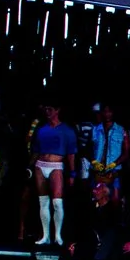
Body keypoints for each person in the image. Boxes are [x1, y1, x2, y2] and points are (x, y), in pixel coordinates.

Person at [29, 102, 78, 248]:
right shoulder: (41, 129)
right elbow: (36, 150)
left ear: (57, 110)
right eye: (46, 109)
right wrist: (29, 166)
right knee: (43, 201)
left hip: (56, 166)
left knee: (57, 202)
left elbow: (71, 154)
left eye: (50, 109)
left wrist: (73, 173)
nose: (47, 112)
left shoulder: (67, 130)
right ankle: (46, 236)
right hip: (40, 165)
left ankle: (58, 236)